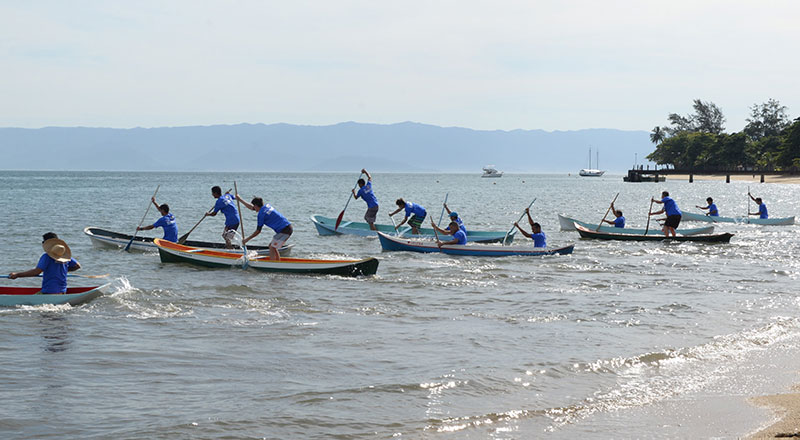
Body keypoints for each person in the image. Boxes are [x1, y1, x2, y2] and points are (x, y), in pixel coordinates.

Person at [7, 232, 81, 294]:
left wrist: (17, 275)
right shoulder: (65, 257)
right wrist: (63, 271)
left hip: (49, 291)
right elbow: (77, 266)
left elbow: (36, 272)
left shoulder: (46, 257)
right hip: (63, 291)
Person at [235, 195, 292, 261]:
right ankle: (277, 262)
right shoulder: (266, 206)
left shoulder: (261, 215)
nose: (254, 208)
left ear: (256, 205)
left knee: (272, 247)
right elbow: (251, 207)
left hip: (285, 230)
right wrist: (240, 199)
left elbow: (258, 231)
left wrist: (247, 239)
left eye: (254, 206)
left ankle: (273, 264)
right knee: (272, 246)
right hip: (287, 227)